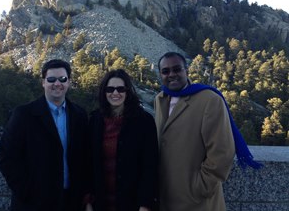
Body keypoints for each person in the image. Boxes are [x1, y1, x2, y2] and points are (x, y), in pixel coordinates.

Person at [154, 52, 262, 211]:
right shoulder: (160, 99)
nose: (171, 75)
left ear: (186, 71)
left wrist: (199, 187)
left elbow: (222, 151)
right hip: (165, 196)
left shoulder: (209, 100)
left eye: (177, 69)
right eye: (166, 71)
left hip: (197, 202)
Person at [0, 59, 88, 211]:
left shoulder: (79, 114)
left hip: (71, 201)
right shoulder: (23, 114)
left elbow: (85, 157)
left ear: (69, 82)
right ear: (43, 82)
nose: (57, 83)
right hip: (34, 203)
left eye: (62, 79)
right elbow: (7, 156)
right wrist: (26, 192)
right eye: (51, 79)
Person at [86, 69, 158, 211]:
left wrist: (145, 204)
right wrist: (88, 201)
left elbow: (150, 166)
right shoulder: (94, 120)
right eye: (110, 89)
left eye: (120, 89)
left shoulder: (144, 121)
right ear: (104, 92)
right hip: (101, 203)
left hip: (132, 204)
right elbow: (88, 163)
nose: (115, 93)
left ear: (128, 91)